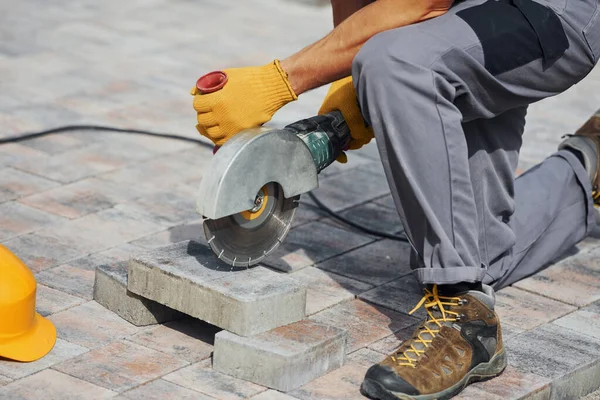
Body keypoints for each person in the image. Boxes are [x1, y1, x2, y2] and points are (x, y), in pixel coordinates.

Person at [191, 0, 600, 398]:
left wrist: (280, 81)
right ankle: (589, 160)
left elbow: (423, 4)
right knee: (477, 254)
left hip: (551, 11)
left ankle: (467, 324)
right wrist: (349, 83)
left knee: (398, 63)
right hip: (471, 11)